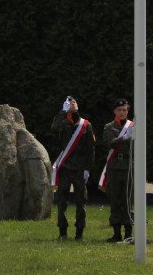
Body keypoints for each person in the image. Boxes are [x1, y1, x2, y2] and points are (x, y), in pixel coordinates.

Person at [51, 95, 95, 241]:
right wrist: (62, 112)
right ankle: (62, 232)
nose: (73, 103)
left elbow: (91, 149)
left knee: (81, 202)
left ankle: (79, 233)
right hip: (65, 168)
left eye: (75, 101)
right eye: (70, 102)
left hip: (79, 169)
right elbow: (54, 128)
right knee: (62, 201)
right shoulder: (63, 122)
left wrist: (88, 168)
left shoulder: (85, 125)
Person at [101, 98, 134, 242]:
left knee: (128, 200)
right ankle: (116, 233)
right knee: (115, 199)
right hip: (115, 166)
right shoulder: (109, 127)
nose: (122, 112)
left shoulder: (133, 126)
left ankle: (128, 232)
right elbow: (109, 143)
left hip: (129, 166)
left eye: (125, 110)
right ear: (115, 111)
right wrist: (125, 138)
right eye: (119, 110)